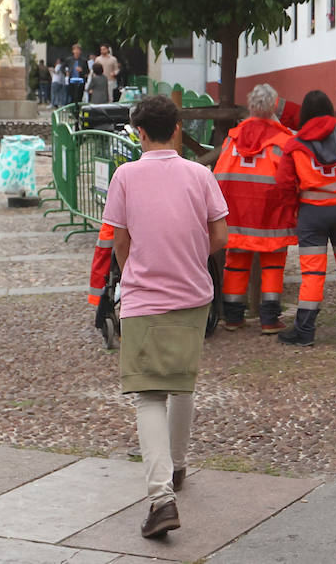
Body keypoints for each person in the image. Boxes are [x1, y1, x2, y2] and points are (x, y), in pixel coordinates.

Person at [102, 95, 229, 539]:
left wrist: (136, 267)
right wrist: (191, 257)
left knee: (148, 393)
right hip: (193, 294)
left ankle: (160, 498)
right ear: (177, 128)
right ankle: (176, 466)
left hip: (144, 295)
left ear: (139, 132)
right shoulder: (200, 174)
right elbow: (219, 234)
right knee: (181, 382)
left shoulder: (125, 176)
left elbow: (120, 240)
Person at [272, 90, 336, 346]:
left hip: (312, 213)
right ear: (330, 109)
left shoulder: (295, 144)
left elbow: (284, 183)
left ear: (305, 112)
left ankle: (305, 331)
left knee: (313, 274)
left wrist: (295, 207)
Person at [213, 83, 296, 333]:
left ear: (250, 106)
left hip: (236, 212)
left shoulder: (234, 137)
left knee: (236, 262)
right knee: (273, 263)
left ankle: (233, 317)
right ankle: (269, 319)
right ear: (273, 106)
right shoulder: (284, 140)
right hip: (271, 212)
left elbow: (219, 174)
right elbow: (291, 178)